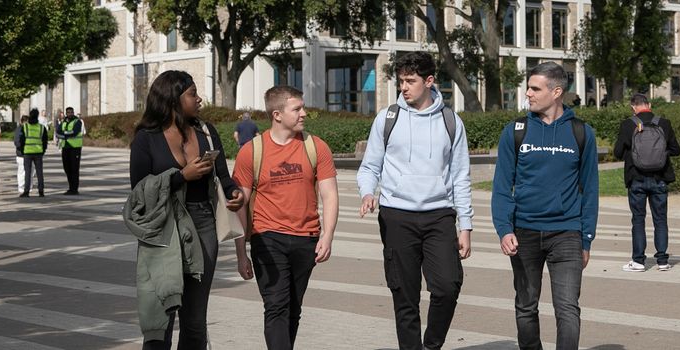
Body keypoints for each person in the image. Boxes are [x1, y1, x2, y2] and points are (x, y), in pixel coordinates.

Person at [356, 51, 473, 350]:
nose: (403, 88)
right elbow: (370, 166)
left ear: (429, 81)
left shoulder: (451, 121)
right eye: (400, 81)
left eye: (410, 81)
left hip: (439, 216)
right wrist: (368, 193)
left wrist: (466, 226)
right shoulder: (388, 118)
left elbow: (460, 175)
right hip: (397, 217)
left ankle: (431, 345)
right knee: (404, 296)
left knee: (447, 287)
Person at [130, 70, 244, 350]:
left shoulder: (206, 132)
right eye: (192, 94)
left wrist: (234, 193)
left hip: (203, 224)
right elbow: (139, 191)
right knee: (161, 318)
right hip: (162, 229)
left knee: (195, 320)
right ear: (172, 99)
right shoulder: (146, 138)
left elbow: (223, 176)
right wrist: (182, 176)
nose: (199, 99)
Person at [491, 62, 598, 350]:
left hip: (567, 235)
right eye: (529, 87)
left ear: (556, 92)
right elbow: (501, 187)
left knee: (567, 309)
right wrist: (504, 229)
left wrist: (586, 239)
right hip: (523, 233)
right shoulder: (515, 131)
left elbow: (590, 191)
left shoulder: (581, 133)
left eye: (535, 88)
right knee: (526, 307)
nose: (528, 93)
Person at [233, 86, 338, 350]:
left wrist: (327, 235)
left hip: (307, 239)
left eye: (303, 108)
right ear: (277, 115)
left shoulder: (316, 147)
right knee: (276, 307)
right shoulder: (251, 152)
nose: (304, 113)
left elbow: (330, 194)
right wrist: (240, 252)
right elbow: (239, 205)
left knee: (293, 308)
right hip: (267, 239)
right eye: (297, 109)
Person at [613, 94, 680, 272]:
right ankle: (662, 261)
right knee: (660, 219)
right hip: (659, 179)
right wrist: (661, 154)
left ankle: (638, 261)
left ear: (633, 107)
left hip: (636, 179)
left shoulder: (628, 124)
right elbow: (676, 150)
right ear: (649, 105)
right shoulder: (663, 123)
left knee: (638, 220)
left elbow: (618, 152)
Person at [16, 109, 48, 197]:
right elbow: (45, 141)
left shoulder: (25, 127)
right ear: (37, 116)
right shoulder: (41, 127)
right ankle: (41, 191)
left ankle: (26, 191)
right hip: (38, 152)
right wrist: (43, 150)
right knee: (39, 172)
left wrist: (23, 150)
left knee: (28, 173)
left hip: (27, 152)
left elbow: (21, 140)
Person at [57, 107, 83, 195]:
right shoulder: (64, 122)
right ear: (66, 113)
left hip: (75, 148)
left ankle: (74, 189)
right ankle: (70, 187)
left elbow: (75, 132)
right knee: (67, 168)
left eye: (71, 112)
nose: (70, 114)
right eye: (68, 112)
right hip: (65, 147)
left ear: (73, 112)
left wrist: (64, 133)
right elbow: (58, 132)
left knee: (74, 169)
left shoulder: (77, 121)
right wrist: (66, 134)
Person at [16, 115, 28, 192]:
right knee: (21, 172)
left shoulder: (30, 129)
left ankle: (29, 187)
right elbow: (17, 142)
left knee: (30, 172)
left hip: (30, 154)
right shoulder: (19, 130)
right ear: (22, 122)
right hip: (21, 155)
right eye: (25, 122)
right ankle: (21, 187)